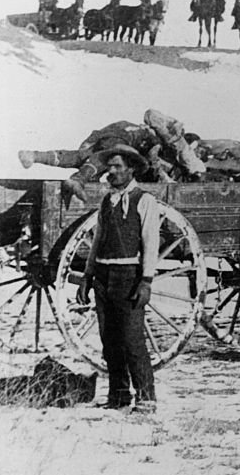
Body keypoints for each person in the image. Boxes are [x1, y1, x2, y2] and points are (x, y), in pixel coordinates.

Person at [75, 145, 158, 413]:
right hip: (102, 276)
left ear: (131, 169)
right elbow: (97, 240)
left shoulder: (144, 200)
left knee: (132, 340)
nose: (111, 171)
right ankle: (119, 396)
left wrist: (146, 280)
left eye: (118, 167)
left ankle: (146, 398)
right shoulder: (106, 202)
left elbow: (150, 242)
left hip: (128, 277)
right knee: (109, 341)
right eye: (109, 166)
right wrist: (87, 276)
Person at [17, 110, 206, 204]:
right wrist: (165, 180)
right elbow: (154, 162)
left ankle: (34, 155)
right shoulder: (155, 140)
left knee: (81, 157)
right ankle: (77, 180)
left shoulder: (143, 127)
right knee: (113, 157)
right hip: (120, 138)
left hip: (107, 132)